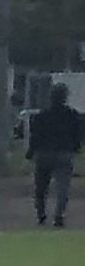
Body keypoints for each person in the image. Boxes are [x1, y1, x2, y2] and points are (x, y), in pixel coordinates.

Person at [30, 87, 82, 227]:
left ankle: (41, 214)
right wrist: (76, 148)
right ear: (65, 97)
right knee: (62, 188)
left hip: (44, 154)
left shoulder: (42, 115)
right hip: (64, 154)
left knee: (41, 188)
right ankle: (58, 215)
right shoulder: (72, 115)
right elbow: (78, 135)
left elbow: (35, 136)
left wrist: (31, 152)